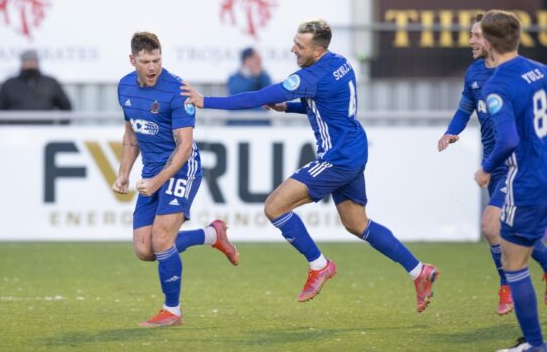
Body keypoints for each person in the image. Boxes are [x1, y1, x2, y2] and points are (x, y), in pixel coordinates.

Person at [182, 19, 439, 312]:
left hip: (337, 157)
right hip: (353, 148)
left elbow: (258, 96)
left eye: (299, 46)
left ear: (317, 51)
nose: (293, 49)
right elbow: (324, 102)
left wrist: (206, 101)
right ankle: (419, 271)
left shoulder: (310, 77)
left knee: (275, 206)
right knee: (357, 224)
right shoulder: (340, 63)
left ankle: (320, 265)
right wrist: (288, 106)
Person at [112, 32, 239, 327]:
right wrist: (123, 173)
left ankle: (172, 311)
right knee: (145, 249)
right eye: (145, 61)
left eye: (157, 60)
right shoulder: (124, 86)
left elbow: (184, 146)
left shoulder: (177, 91)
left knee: (161, 238)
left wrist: (157, 181)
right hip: (151, 172)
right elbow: (132, 134)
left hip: (182, 169)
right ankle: (211, 235)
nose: (152, 67)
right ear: (133, 60)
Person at [438, 13, 547, 316]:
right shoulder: (475, 73)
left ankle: (507, 286)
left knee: (491, 225)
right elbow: (465, 108)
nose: (470, 40)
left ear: (489, 40)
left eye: (475, 35)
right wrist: (451, 131)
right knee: (512, 231)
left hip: (519, 164)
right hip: (497, 162)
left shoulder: (519, 75)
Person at [474, 10, 547, 352]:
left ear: (487, 43)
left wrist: (487, 167)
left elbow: (507, 140)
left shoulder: (497, 85)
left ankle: (534, 343)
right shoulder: (541, 71)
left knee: (513, 263)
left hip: (529, 182)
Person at [0, 49, 72, 124]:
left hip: (46, 131)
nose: (30, 64)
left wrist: (61, 128)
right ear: (22, 63)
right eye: (27, 61)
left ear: (37, 63)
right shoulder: (9, 84)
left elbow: (66, 107)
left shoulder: (51, 83)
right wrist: (3, 131)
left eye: (33, 61)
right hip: (16, 132)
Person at [226, 47, 272, 126]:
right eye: (256, 59)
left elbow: (269, 93)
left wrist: (259, 76)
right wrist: (253, 77)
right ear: (246, 60)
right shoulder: (234, 77)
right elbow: (237, 93)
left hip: (260, 123)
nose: (259, 61)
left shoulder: (263, 76)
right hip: (237, 124)